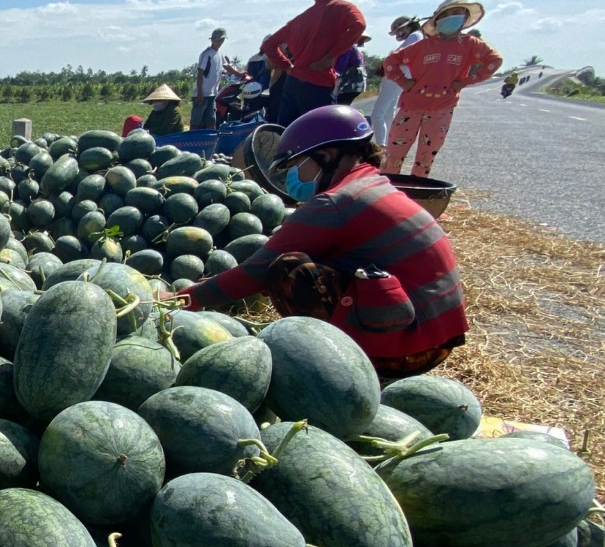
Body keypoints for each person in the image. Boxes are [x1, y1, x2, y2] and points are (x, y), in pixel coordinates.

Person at [178, 105, 468, 377]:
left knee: (288, 270)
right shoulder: (371, 184)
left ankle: (338, 368)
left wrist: (188, 297)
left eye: (296, 165)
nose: (293, 175)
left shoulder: (336, 202)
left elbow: (255, 271)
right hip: (436, 336)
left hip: (407, 350)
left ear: (326, 156)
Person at [382, 0, 503, 178]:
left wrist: (466, 81)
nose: (454, 17)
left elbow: (494, 60)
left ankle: (417, 190)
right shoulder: (423, 46)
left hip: (442, 108)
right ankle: (387, 189)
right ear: (438, 19)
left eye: (459, 13)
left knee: (427, 155)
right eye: (449, 14)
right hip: (411, 105)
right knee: (394, 153)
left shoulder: (470, 45)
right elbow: (391, 61)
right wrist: (403, 81)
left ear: (465, 18)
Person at [263, 0, 368, 126]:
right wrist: (331, 56)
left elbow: (269, 45)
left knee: (286, 131)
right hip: (317, 83)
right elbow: (359, 25)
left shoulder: (299, 20)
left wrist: (287, 66)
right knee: (320, 135)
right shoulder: (344, 8)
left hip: (292, 82)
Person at [369, 15, 423, 146]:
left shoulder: (415, 36)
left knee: (377, 114)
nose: (398, 34)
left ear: (408, 27)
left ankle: (381, 147)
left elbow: (403, 56)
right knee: (388, 112)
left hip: (396, 76)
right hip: (401, 76)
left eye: (399, 30)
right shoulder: (419, 36)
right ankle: (387, 145)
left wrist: (387, 61)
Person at [192, 28, 227, 130]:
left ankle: (211, 140)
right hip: (203, 92)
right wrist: (199, 93)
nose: (218, 42)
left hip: (212, 93)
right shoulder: (207, 54)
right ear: (212, 40)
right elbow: (200, 73)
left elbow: (227, 66)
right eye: (216, 40)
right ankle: (192, 138)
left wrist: (238, 73)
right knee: (196, 119)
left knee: (211, 119)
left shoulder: (220, 54)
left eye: (220, 40)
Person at [334, 35, 371, 106]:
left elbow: (340, 67)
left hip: (352, 80)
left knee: (340, 105)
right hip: (355, 80)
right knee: (341, 103)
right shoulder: (350, 46)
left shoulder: (347, 46)